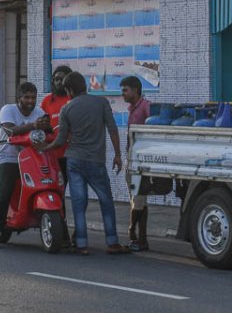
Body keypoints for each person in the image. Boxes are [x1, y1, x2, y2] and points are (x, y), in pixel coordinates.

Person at [40, 71, 131, 255]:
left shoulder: (67, 108)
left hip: (74, 161)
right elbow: (113, 129)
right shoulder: (101, 103)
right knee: (106, 201)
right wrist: (118, 155)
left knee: (78, 204)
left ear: (70, 90)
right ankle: (112, 243)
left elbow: (61, 140)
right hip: (96, 161)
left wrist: (45, 147)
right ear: (85, 86)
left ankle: (81, 245)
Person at [0, 81, 50, 249]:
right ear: (18, 98)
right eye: (27, 97)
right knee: (4, 193)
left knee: (48, 184)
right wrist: (34, 125)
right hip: (8, 158)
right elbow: (10, 130)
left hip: (32, 157)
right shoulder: (8, 110)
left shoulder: (39, 112)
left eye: (33, 98)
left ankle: (61, 233)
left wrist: (49, 128)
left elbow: (48, 130)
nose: (30, 101)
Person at [41, 65, 73, 247]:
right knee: (57, 196)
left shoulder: (72, 100)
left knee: (75, 196)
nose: (58, 82)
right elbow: (43, 124)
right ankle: (62, 234)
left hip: (71, 156)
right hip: (53, 158)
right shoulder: (47, 101)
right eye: (55, 79)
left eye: (62, 78)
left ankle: (78, 236)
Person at [121, 76, 151, 251]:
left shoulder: (146, 106)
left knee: (138, 198)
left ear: (136, 90)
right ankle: (142, 239)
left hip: (140, 159)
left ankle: (132, 231)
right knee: (138, 199)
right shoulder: (132, 109)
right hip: (130, 157)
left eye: (125, 90)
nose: (123, 93)